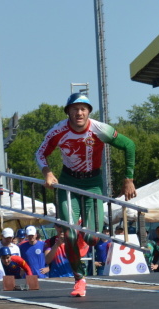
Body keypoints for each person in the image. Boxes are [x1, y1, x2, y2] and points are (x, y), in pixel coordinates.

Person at [36, 93, 137, 297]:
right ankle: (79, 279)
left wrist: (128, 178)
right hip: (68, 184)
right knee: (70, 235)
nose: (79, 113)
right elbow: (40, 153)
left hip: (93, 185)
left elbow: (129, 145)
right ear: (68, 112)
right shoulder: (58, 130)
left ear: (89, 112)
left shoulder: (99, 129)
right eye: (75, 109)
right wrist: (47, 172)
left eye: (83, 109)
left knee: (91, 238)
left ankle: (85, 233)